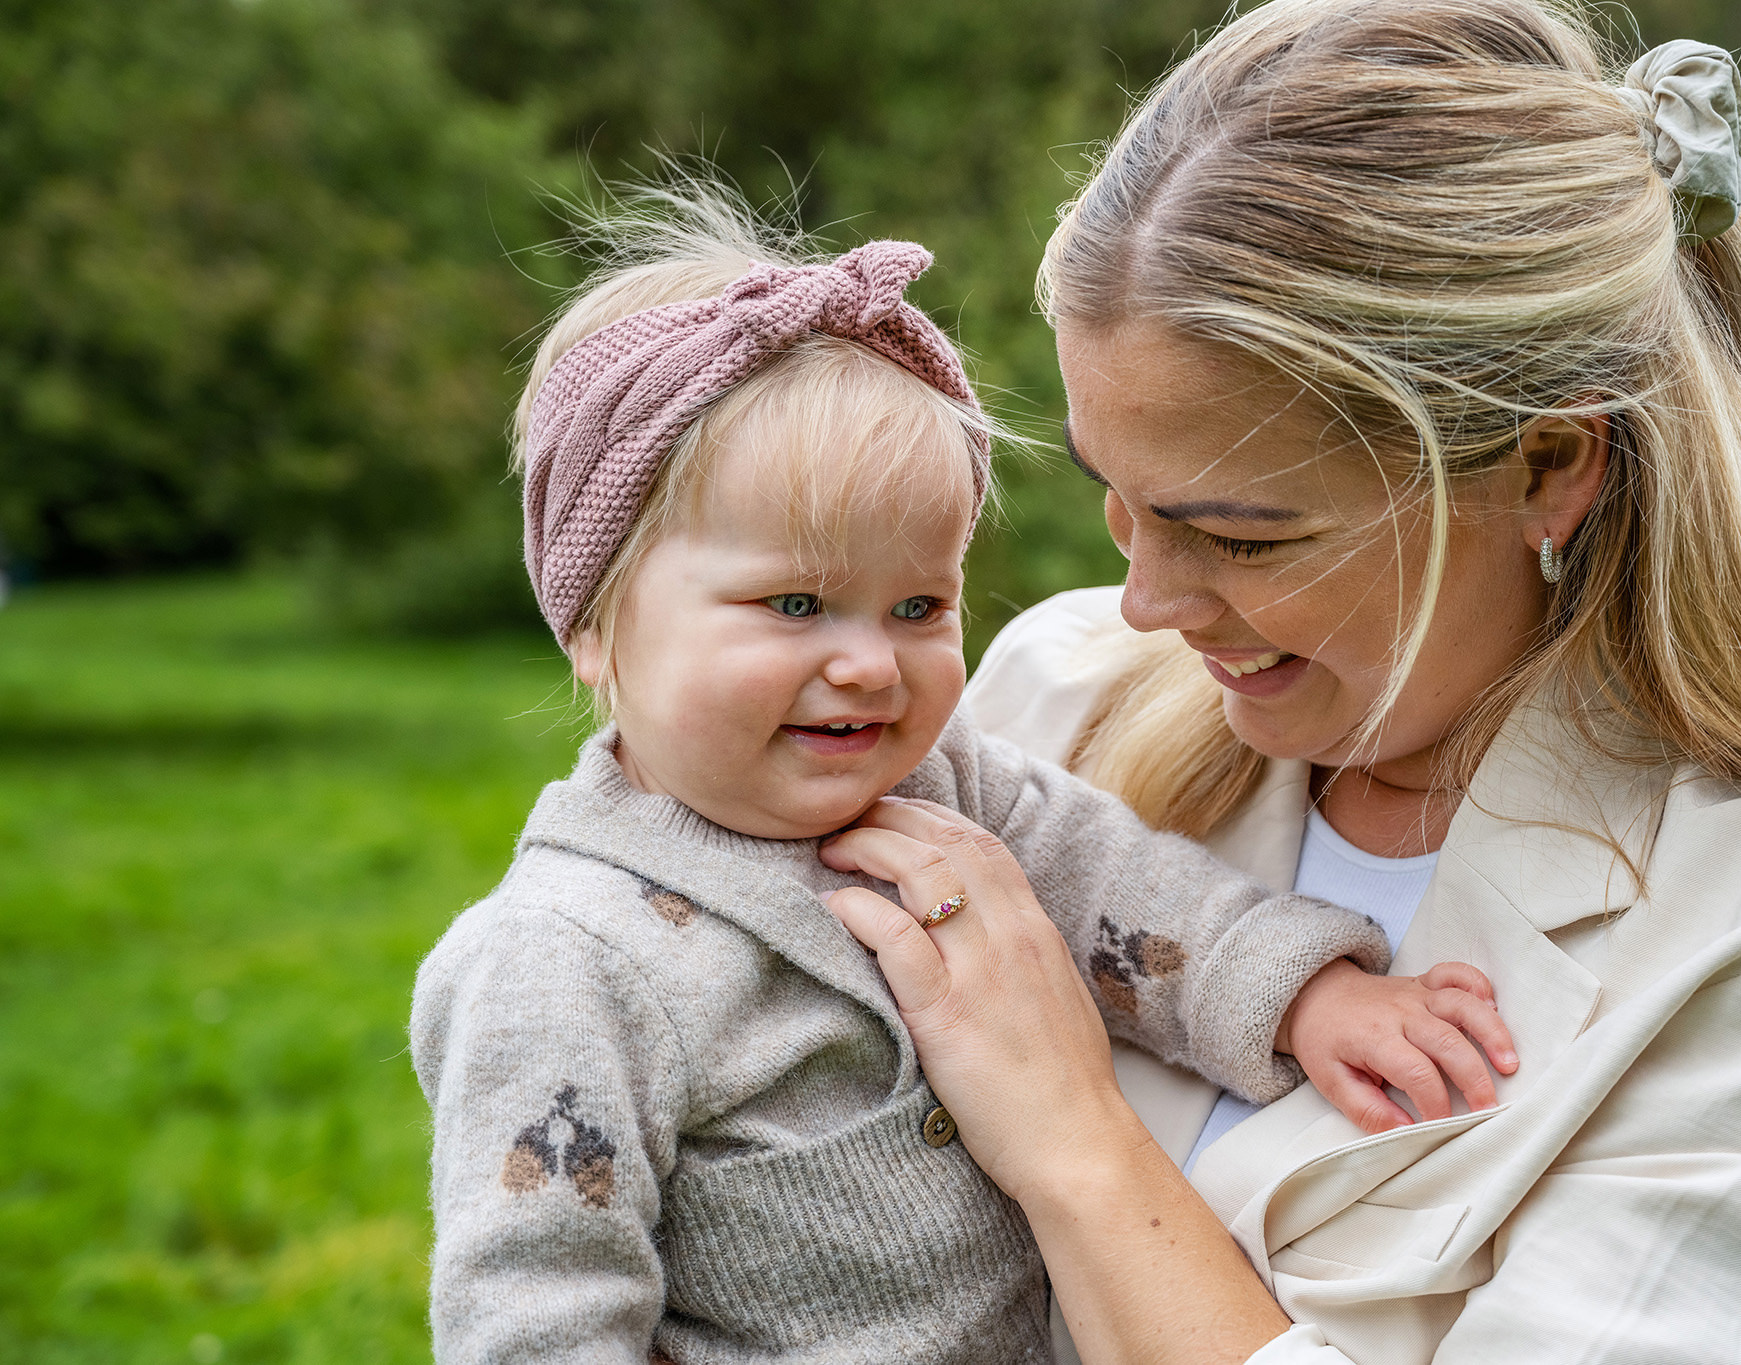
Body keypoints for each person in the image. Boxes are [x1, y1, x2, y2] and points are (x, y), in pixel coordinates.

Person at [817, 3, 1741, 1361]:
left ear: (1547, 465)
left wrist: (1075, 1148)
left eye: (1241, 534)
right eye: (1123, 501)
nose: (1149, 600)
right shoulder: (1053, 703)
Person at [407, 187, 1517, 1364]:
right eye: (794, 604)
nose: (868, 664)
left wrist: (1305, 997)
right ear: (594, 624)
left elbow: (1124, 892)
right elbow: (533, 1305)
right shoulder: (561, 961)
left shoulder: (946, 787)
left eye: (919, 605)